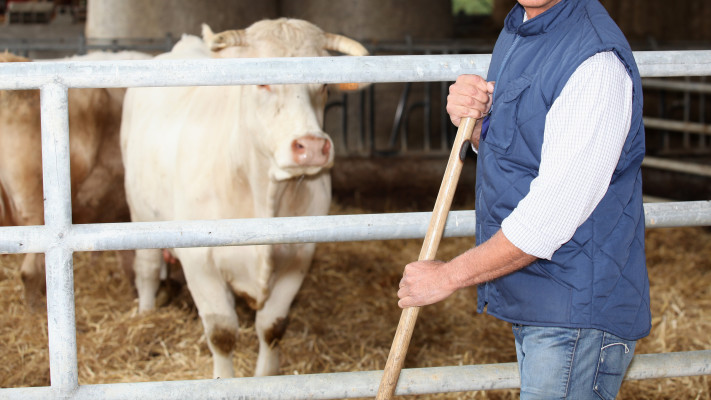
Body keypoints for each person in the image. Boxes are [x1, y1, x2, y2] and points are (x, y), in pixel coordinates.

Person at [396, 0, 650, 398]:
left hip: (574, 309)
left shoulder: (594, 61)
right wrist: (476, 123)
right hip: (541, 296)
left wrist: (447, 277)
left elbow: (550, 218)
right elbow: (524, 151)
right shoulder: (522, 28)